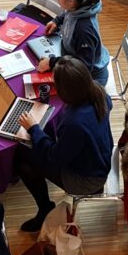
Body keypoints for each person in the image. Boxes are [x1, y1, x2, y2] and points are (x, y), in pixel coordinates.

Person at [15, 57, 113, 231]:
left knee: (22, 157)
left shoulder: (75, 123)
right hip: (101, 159)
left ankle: (45, 208)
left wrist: (34, 129)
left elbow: (54, 157)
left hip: (87, 180)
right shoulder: (99, 92)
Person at [38, 0, 111, 85]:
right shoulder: (77, 7)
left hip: (90, 79)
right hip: (71, 59)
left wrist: (52, 63)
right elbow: (68, 14)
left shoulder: (83, 30)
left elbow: (83, 66)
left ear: (71, 1)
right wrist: (56, 21)